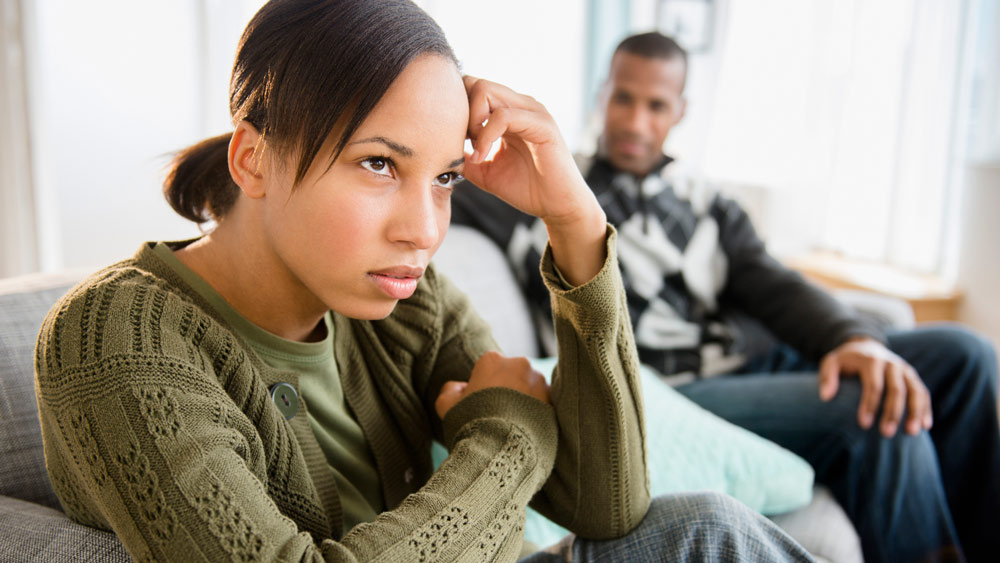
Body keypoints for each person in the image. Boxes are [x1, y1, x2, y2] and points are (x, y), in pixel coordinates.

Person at [32, 3, 814, 562]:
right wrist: (511, 429)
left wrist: (576, 225)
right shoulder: (113, 335)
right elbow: (517, 436)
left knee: (707, 527)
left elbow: (607, 504)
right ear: (252, 158)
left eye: (444, 177)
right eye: (380, 164)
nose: (425, 229)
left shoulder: (405, 298)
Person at [452, 31, 1000, 563]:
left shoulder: (708, 204)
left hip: (748, 364)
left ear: (680, 112)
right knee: (876, 410)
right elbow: (447, 170)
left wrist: (854, 338)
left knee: (966, 356)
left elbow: (773, 283)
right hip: (675, 391)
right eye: (623, 98)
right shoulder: (546, 182)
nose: (636, 122)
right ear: (603, 95)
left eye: (656, 105)